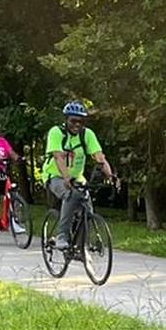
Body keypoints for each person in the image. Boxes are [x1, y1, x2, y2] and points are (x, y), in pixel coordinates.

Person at [42, 101, 115, 250]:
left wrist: (111, 175)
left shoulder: (87, 134)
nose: (77, 124)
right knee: (71, 195)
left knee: (87, 209)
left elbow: (99, 158)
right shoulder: (56, 132)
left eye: (80, 121)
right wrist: (67, 177)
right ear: (66, 120)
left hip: (78, 177)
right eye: (73, 121)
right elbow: (58, 157)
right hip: (55, 176)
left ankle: (80, 248)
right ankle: (62, 235)